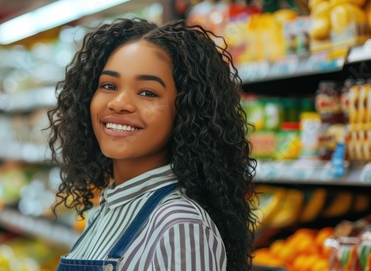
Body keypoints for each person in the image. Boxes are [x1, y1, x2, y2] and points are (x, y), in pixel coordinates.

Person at [47, 18, 257, 271]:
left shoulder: (179, 225)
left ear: (186, 112)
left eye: (147, 92)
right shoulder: (105, 211)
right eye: (109, 86)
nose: (119, 103)